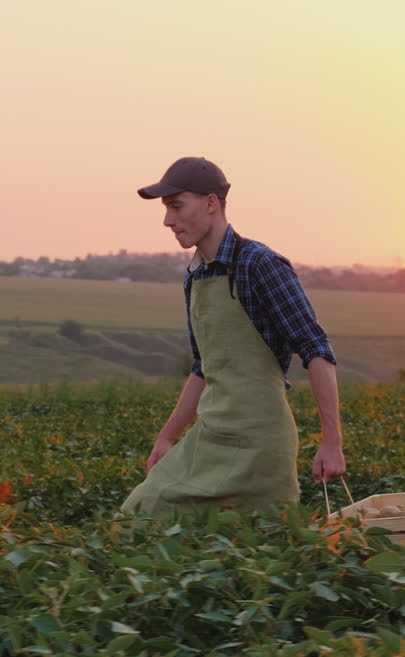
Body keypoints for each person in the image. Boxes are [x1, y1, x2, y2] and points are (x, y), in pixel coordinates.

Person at [120, 157, 347, 517]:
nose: (167, 220)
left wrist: (332, 442)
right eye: (166, 209)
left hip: (261, 444)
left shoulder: (259, 264)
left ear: (211, 203)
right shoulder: (194, 277)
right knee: (138, 515)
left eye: (176, 207)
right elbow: (202, 368)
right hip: (211, 439)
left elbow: (316, 349)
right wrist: (167, 436)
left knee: (259, 547)